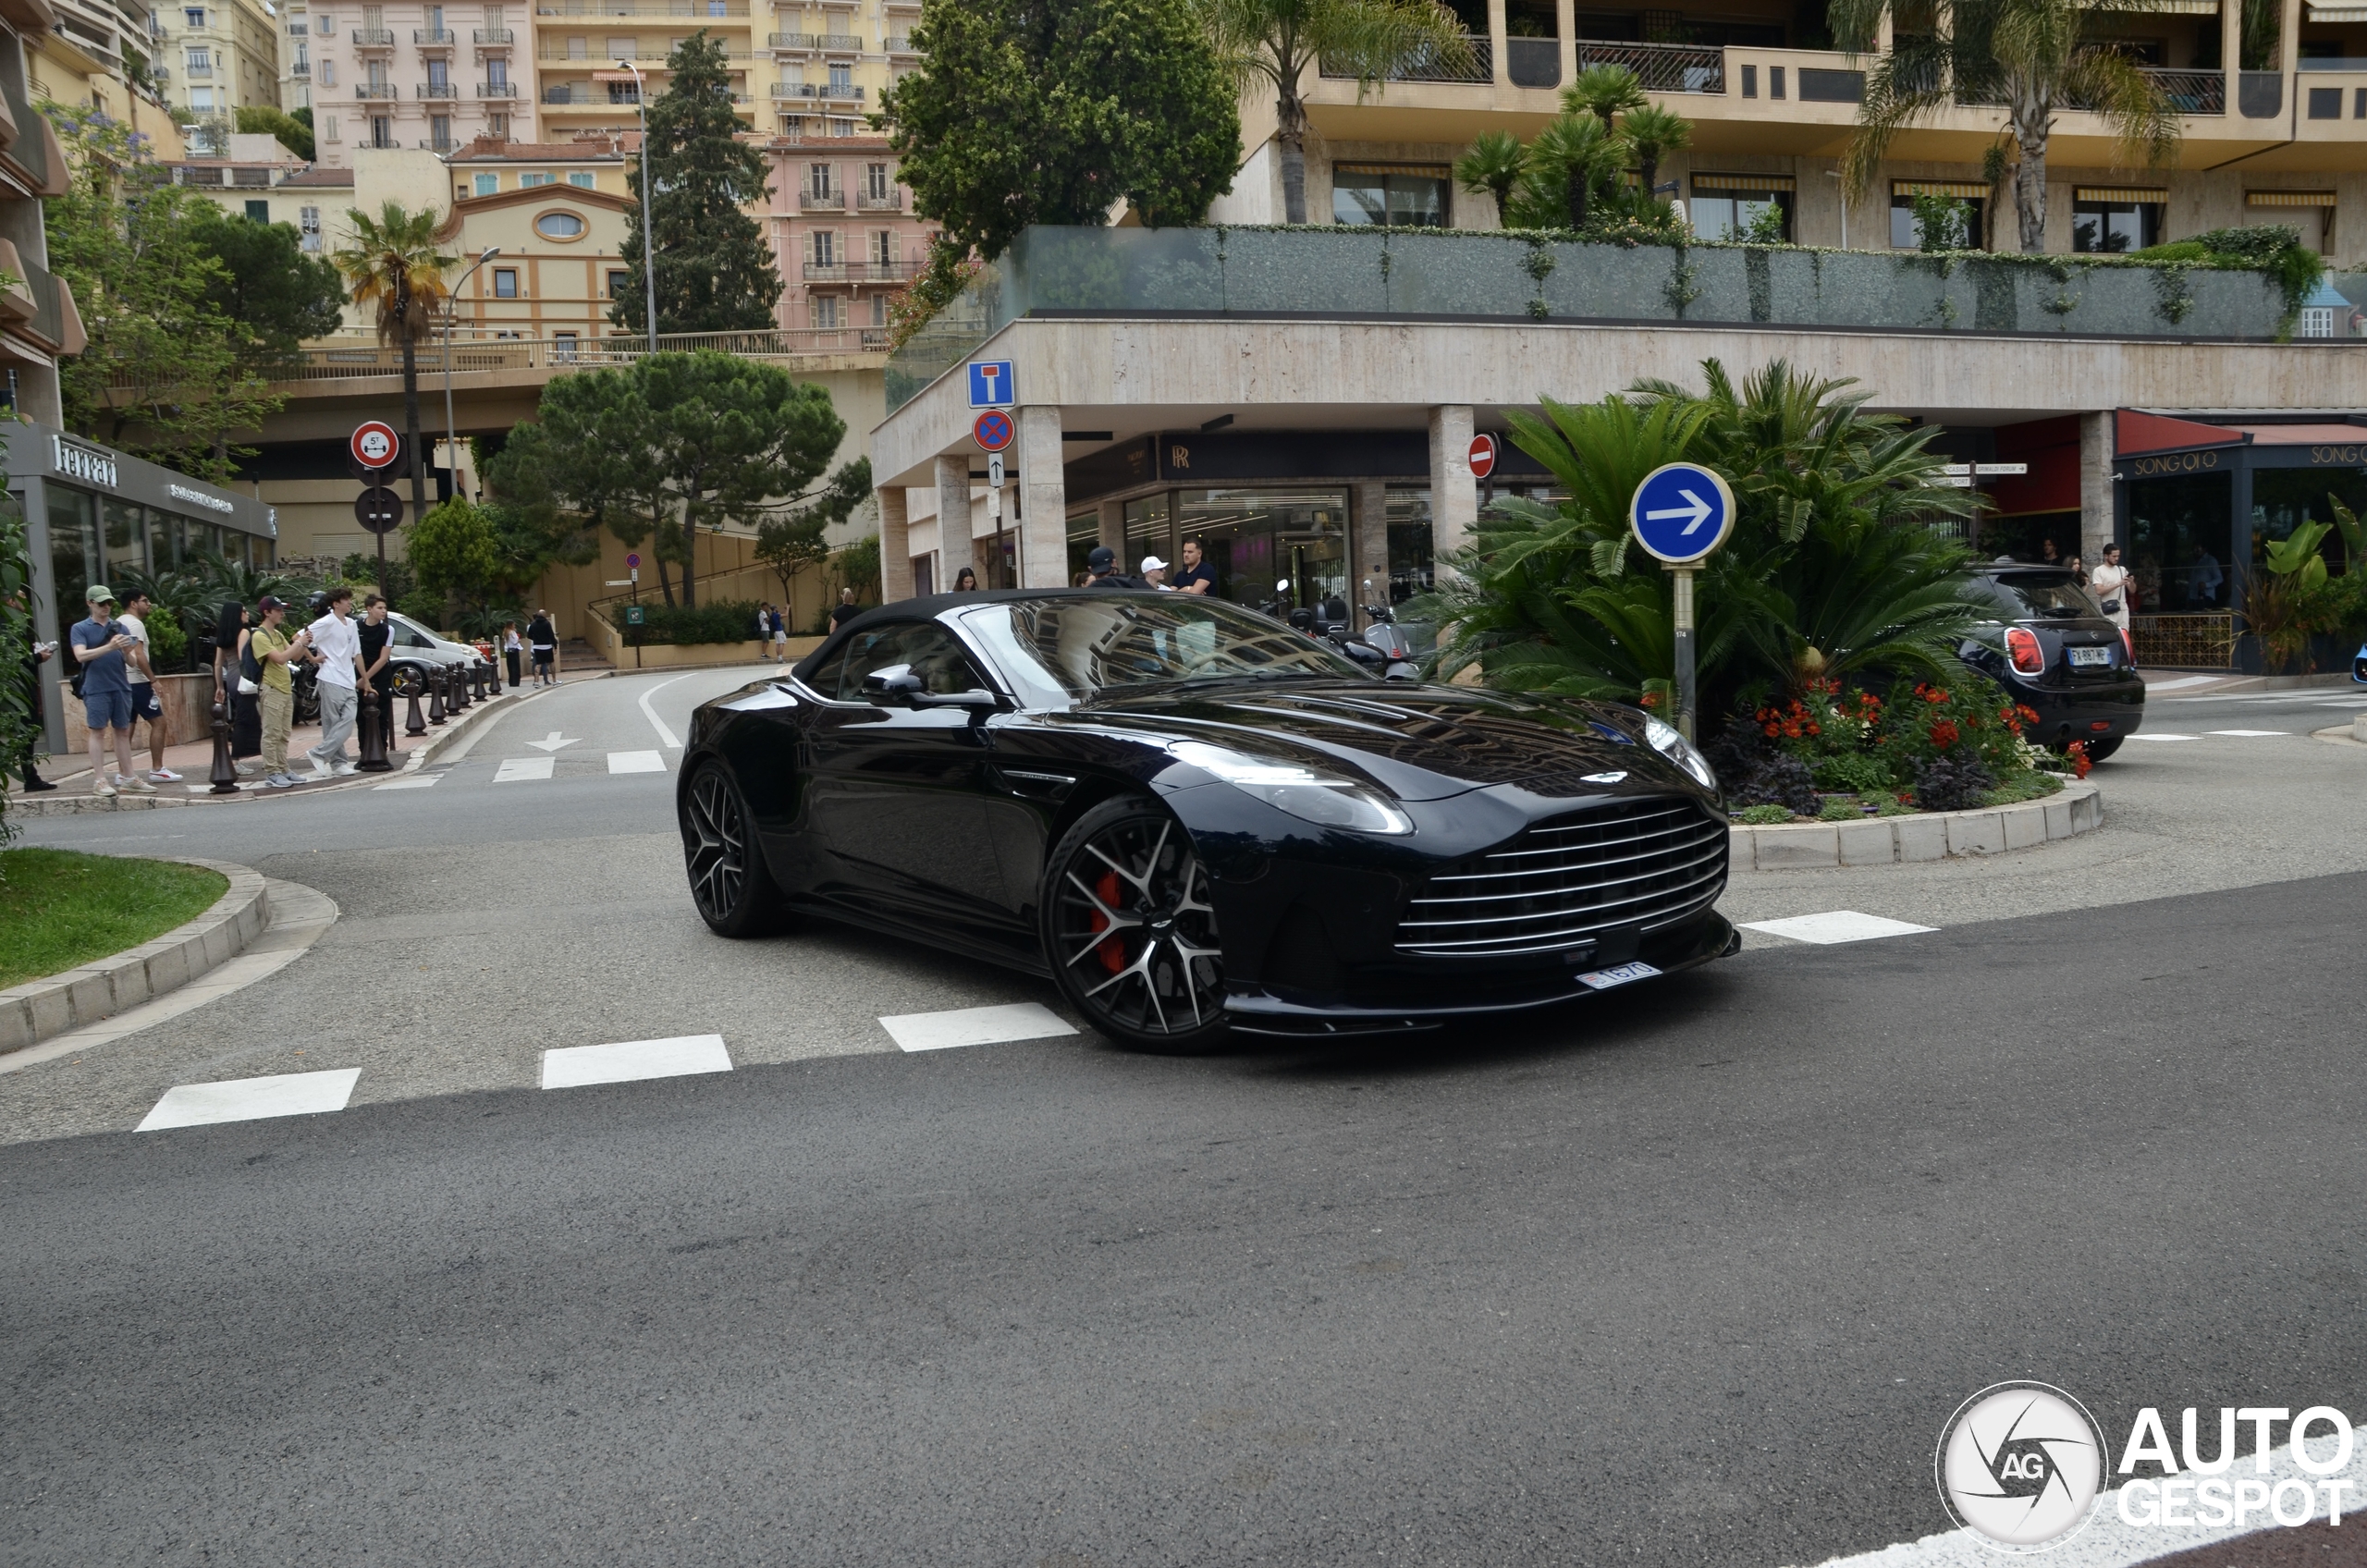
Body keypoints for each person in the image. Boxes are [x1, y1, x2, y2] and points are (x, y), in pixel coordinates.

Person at [69, 584, 152, 797]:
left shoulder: (119, 627)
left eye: (109, 603)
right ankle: (99, 779)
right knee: (98, 731)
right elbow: (80, 655)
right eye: (101, 603)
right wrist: (110, 647)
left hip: (121, 686)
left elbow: (132, 662)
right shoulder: (80, 628)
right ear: (90, 603)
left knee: (122, 731)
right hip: (96, 688)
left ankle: (129, 777)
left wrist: (126, 651)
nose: (106, 607)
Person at [303, 586, 368, 778]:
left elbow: (357, 653)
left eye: (349, 599)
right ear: (336, 604)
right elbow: (298, 638)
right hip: (330, 677)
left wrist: (365, 679)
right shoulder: (326, 622)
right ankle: (338, 762)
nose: (350, 602)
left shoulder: (351, 624)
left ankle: (319, 754)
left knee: (347, 721)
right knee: (333, 723)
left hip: (348, 679)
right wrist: (313, 658)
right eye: (346, 599)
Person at [117, 589, 180, 783]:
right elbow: (139, 654)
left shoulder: (118, 622)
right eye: (145, 601)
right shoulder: (135, 624)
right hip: (137, 682)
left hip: (122, 682)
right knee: (159, 723)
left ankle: (123, 773)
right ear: (133, 604)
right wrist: (153, 680)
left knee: (126, 727)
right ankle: (157, 769)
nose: (149, 604)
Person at [250, 594, 312, 788]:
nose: (281, 614)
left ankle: (283, 768)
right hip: (272, 689)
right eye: (278, 610)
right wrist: (299, 642)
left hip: (285, 689)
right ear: (266, 612)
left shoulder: (277, 634)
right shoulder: (260, 636)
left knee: (284, 733)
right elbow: (280, 658)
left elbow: (296, 656)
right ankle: (272, 771)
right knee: (271, 733)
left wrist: (305, 642)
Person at [214, 601, 263, 777]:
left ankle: (264, 754)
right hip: (243, 679)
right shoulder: (243, 632)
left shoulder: (224, 635)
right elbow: (244, 657)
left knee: (248, 716)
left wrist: (220, 686)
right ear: (237, 614)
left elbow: (218, 663)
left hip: (232, 680)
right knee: (245, 719)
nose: (247, 613)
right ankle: (235, 761)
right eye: (244, 611)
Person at [19, 613, 55, 790]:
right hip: (20, 691)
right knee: (26, 735)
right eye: (21, 595)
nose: (25, 598)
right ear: (10, 601)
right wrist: (39, 657)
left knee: (27, 736)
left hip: (23, 689)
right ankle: (30, 779)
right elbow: (18, 662)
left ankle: (31, 777)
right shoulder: (10, 627)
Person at [357, 595, 397, 754]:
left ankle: (381, 751)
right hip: (359, 672)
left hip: (380, 676)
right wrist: (360, 679)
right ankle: (364, 753)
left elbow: (383, 658)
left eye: (385, 608)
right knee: (361, 717)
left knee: (381, 715)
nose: (383, 611)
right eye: (380, 608)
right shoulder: (355, 626)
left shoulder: (387, 629)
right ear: (369, 609)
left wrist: (365, 679)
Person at [2089, 543, 2133, 632]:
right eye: (2114, 556)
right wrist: (2118, 584)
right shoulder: (2099, 570)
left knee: (2123, 636)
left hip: (2122, 610)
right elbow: (2099, 591)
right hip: (2108, 609)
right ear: (2106, 556)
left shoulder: (2122, 569)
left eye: (2118, 556)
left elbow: (2132, 590)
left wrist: (2131, 581)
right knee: (2109, 635)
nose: (2116, 558)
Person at [526, 608, 557, 686]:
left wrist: (536, 639)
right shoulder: (547, 623)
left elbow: (529, 635)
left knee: (538, 664)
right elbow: (551, 635)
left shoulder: (533, 624)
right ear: (544, 615)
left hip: (537, 647)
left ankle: (536, 681)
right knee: (551, 663)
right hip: (547, 646)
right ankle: (554, 680)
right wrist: (555, 645)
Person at [500, 620, 523, 688]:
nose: (514, 626)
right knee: (515, 666)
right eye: (513, 625)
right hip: (514, 650)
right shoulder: (512, 632)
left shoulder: (505, 632)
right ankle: (516, 682)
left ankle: (511, 681)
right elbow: (515, 641)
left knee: (510, 666)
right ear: (510, 625)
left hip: (508, 650)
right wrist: (518, 640)